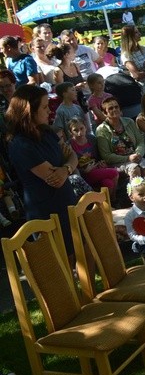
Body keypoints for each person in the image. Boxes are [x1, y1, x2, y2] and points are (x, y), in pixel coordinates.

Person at [5, 85, 78, 256]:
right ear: (29, 111)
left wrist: (66, 168)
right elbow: (55, 178)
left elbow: (73, 156)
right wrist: (67, 166)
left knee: (83, 249)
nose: (49, 111)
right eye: (44, 107)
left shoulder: (47, 131)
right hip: (46, 208)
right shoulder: (20, 144)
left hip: (67, 199)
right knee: (61, 259)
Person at [96, 96, 145, 182]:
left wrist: (138, 154)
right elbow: (106, 156)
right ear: (105, 113)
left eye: (116, 107)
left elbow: (140, 141)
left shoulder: (129, 122)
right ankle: (136, 194)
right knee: (134, 168)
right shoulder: (101, 130)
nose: (115, 109)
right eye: (110, 108)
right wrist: (128, 158)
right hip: (117, 163)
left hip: (135, 156)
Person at [68, 117, 119, 202]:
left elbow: (99, 156)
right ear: (70, 132)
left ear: (86, 127)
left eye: (81, 128)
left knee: (108, 183)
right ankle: (114, 200)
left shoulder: (91, 139)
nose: (80, 133)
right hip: (84, 174)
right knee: (114, 172)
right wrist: (84, 171)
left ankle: (107, 205)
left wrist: (102, 163)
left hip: (97, 169)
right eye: (75, 130)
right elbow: (72, 167)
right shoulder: (70, 145)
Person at [119, 25, 145, 91]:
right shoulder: (126, 55)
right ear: (129, 36)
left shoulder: (144, 49)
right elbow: (136, 75)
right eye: (136, 32)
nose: (139, 34)